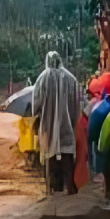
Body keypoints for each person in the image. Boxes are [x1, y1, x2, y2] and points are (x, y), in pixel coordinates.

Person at [33, 51, 80, 195]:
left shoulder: (42, 79)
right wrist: (73, 119)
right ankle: (71, 187)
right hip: (67, 126)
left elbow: (36, 104)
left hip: (48, 126)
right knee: (67, 156)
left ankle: (51, 189)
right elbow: (77, 103)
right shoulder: (71, 78)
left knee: (49, 156)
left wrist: (39, 114)